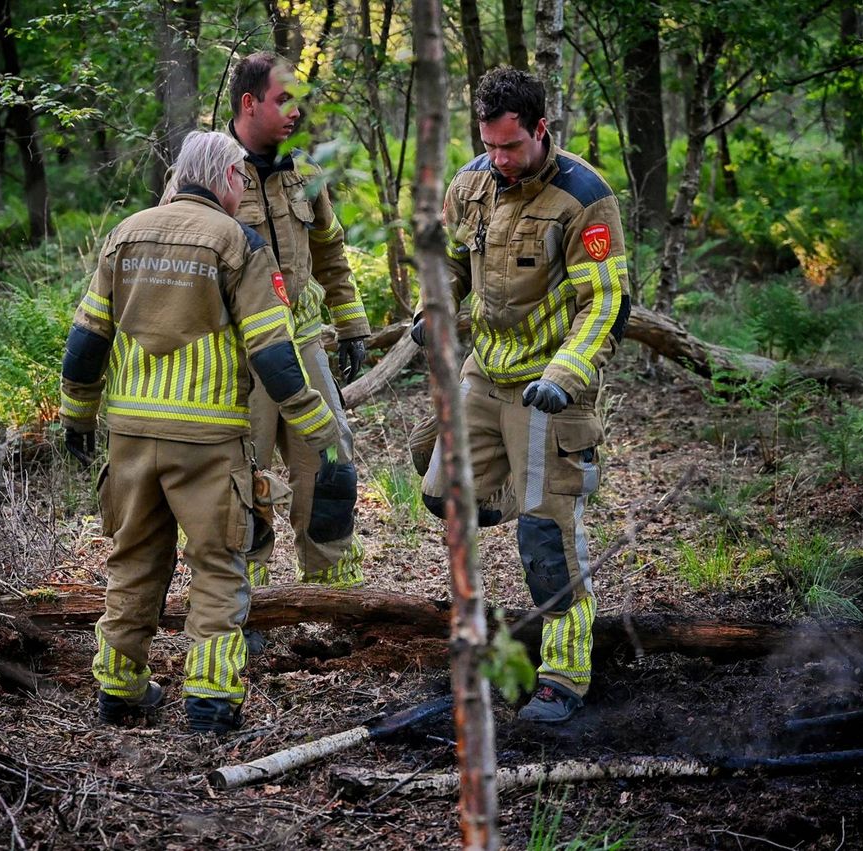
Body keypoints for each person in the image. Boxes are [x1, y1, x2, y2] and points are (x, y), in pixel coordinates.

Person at [59, 131, 340, 733]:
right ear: (226, 179)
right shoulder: (237, 242)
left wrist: (77, 418)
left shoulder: (126, 234)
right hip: (208, 445)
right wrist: (318, 426)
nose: (243, 189)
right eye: (240, 180)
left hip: (131, 438)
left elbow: (86, 340)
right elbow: (272, 351)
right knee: (217, 565)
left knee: (132, 561)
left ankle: (118, 687)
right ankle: (211, 700)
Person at [413, 67, 631, 723]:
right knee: (443, 496)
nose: (500, 160)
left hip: (548, 387)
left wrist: (566, 374)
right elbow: (450, 265)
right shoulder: (471, 182)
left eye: (512, 147)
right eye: (489, 145)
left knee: (544, 536)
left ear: (541, 129)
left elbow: (606, 302)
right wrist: (435, 309)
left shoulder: (583, 197)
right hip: (486, 374)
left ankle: (563, 673)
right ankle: (531, 484)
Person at [226, 52, 370, 592]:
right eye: (282, 100)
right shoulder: (209, 173)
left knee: (332, 463)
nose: (294, 112)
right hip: (242, 354)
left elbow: (330, 252)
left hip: (305, 341)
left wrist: (352, 325)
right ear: (249, 102)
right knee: (244, 476)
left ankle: (336, 593)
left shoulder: (305, 170)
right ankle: (248, 602)